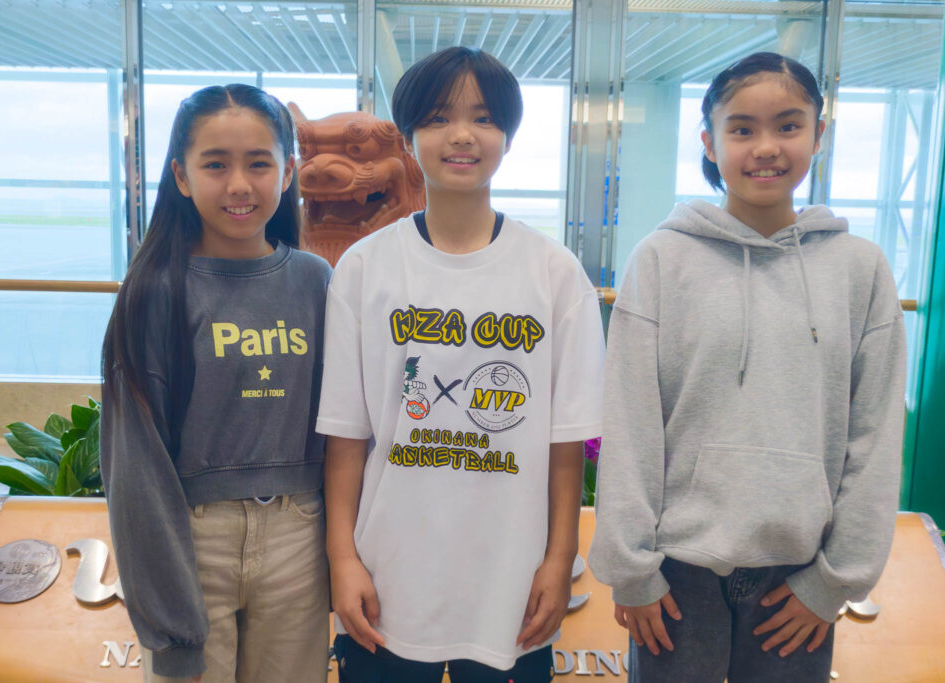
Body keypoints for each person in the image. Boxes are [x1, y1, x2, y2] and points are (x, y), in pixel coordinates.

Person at [588, 52, 906, 683]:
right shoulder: (661, 260)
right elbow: (630, 419)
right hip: (676, 573)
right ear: (709, 142)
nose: (766, 147)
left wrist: (835, 581)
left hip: (801, 572)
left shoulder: (860, 269)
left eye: (788, 125)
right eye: (742, 128)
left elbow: (874, 436)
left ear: (819, 133)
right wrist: (632, 570)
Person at [317, 46, 605, 682]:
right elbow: (346, 439)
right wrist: (343, 558)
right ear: (407, 136)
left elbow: (565, 448)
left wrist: (560, 559)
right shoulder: (364, 269)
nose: (462, 135)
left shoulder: (555, 275)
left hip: (510, 586)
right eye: (438, 117)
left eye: (484, 118)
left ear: (508, 136)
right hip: (388, 580)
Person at [100, 83, 332, 683]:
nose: (238, 185)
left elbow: (346, 430)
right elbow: (136, 468)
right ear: (181, 176)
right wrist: (170, 625)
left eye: (258, 163)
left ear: (287, 173)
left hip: (299, 537)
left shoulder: (316, 282)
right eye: (215, 165)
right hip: (194, 541)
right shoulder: (153, 291)